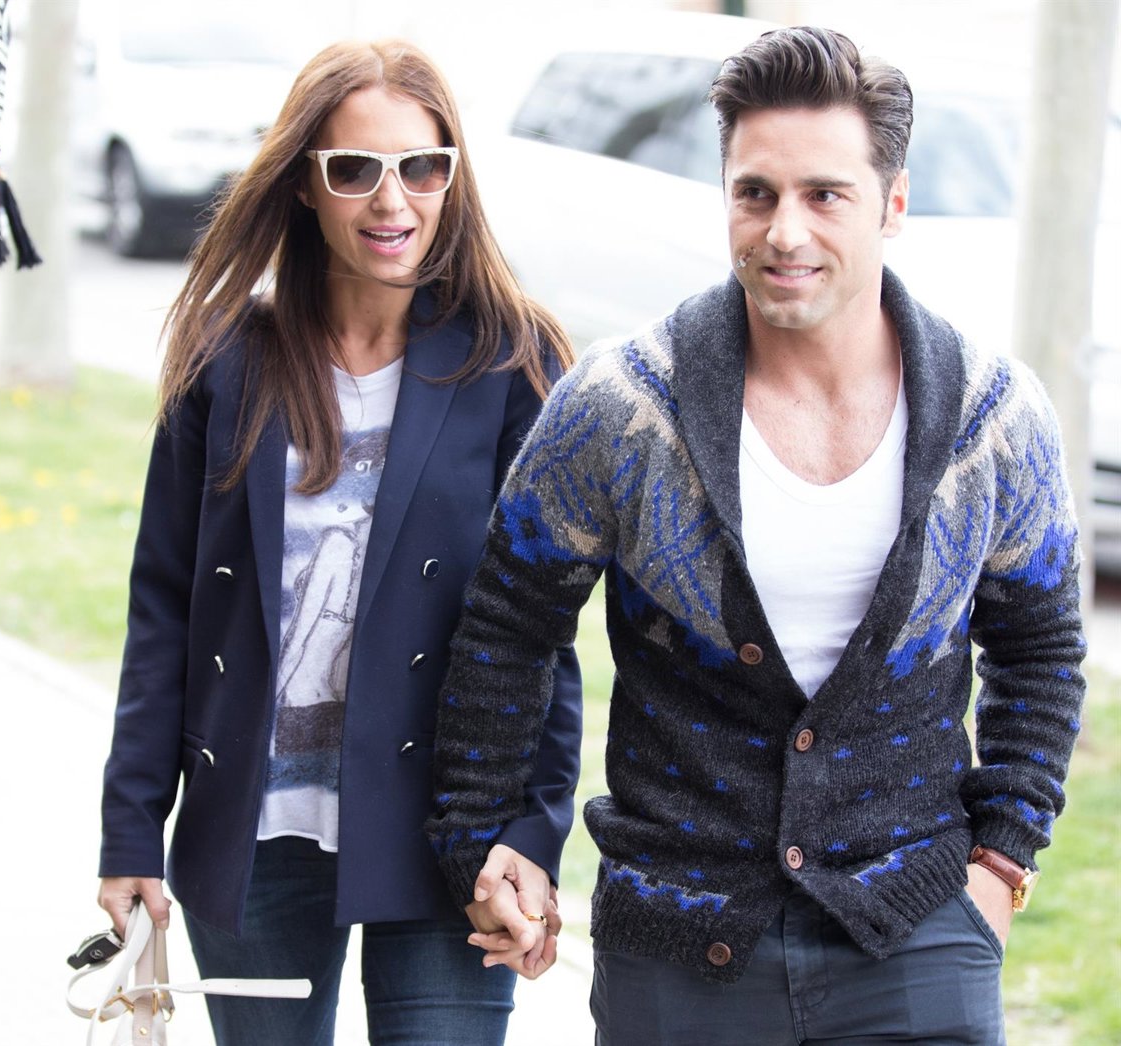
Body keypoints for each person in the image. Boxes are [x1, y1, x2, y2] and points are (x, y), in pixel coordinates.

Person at [425, 25, 1086, 1045]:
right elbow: (508, 625)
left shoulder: (990, 418)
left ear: (892, 204)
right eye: (755, 193)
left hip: (915, 931)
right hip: (678, 943)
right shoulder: (622, 407)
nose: (784, 231)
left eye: (825, 195)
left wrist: (1001, 860)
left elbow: (1040, 648)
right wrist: (486, 834)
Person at [95, 39, 581, 1046]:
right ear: (303, 184)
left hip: (452, 832)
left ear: (451, 177)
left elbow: (541, 630)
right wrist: (131, 828)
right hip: (256, 830)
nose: (391, 199)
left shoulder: (510, 362)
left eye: (422, 166)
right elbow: (166, 607)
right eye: (354, 168)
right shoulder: (226, 359)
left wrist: (535, 832)